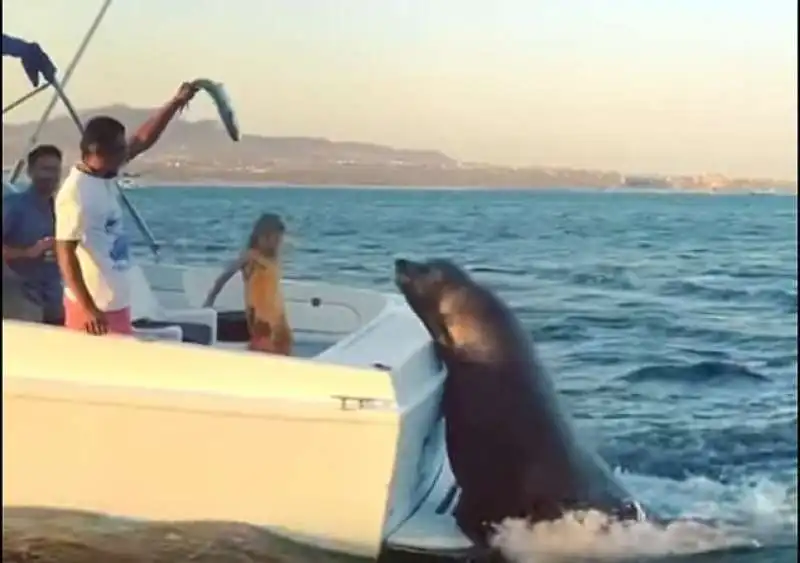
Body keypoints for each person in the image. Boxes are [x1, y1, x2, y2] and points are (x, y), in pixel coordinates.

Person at [54, 83, 199, 336]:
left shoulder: (106, 174)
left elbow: (142, 140)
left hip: (117, 306)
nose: (127, 153)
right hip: (92, 313)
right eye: (120, 149)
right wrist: (90, 310)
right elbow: (65, 254)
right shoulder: (75, 193)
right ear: (97, 152)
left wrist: (176, 103)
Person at [202, 213, 293, 355]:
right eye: (274, 238)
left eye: (279, 239)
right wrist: (211, 298)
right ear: (262, 236)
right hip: (261, 322)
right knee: (265, 351)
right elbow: (224, 276)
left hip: (278, 319)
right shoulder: (250, 257)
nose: (277, 243)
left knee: (284, 352)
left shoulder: (273, 259)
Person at [2, 145, 64, 324]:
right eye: (45, 169)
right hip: (22, 300)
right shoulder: (13, 206)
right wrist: (28, 252)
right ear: (30, 172)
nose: (51, 176)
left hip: (53, 298)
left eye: (55, 170)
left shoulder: (60, 208)